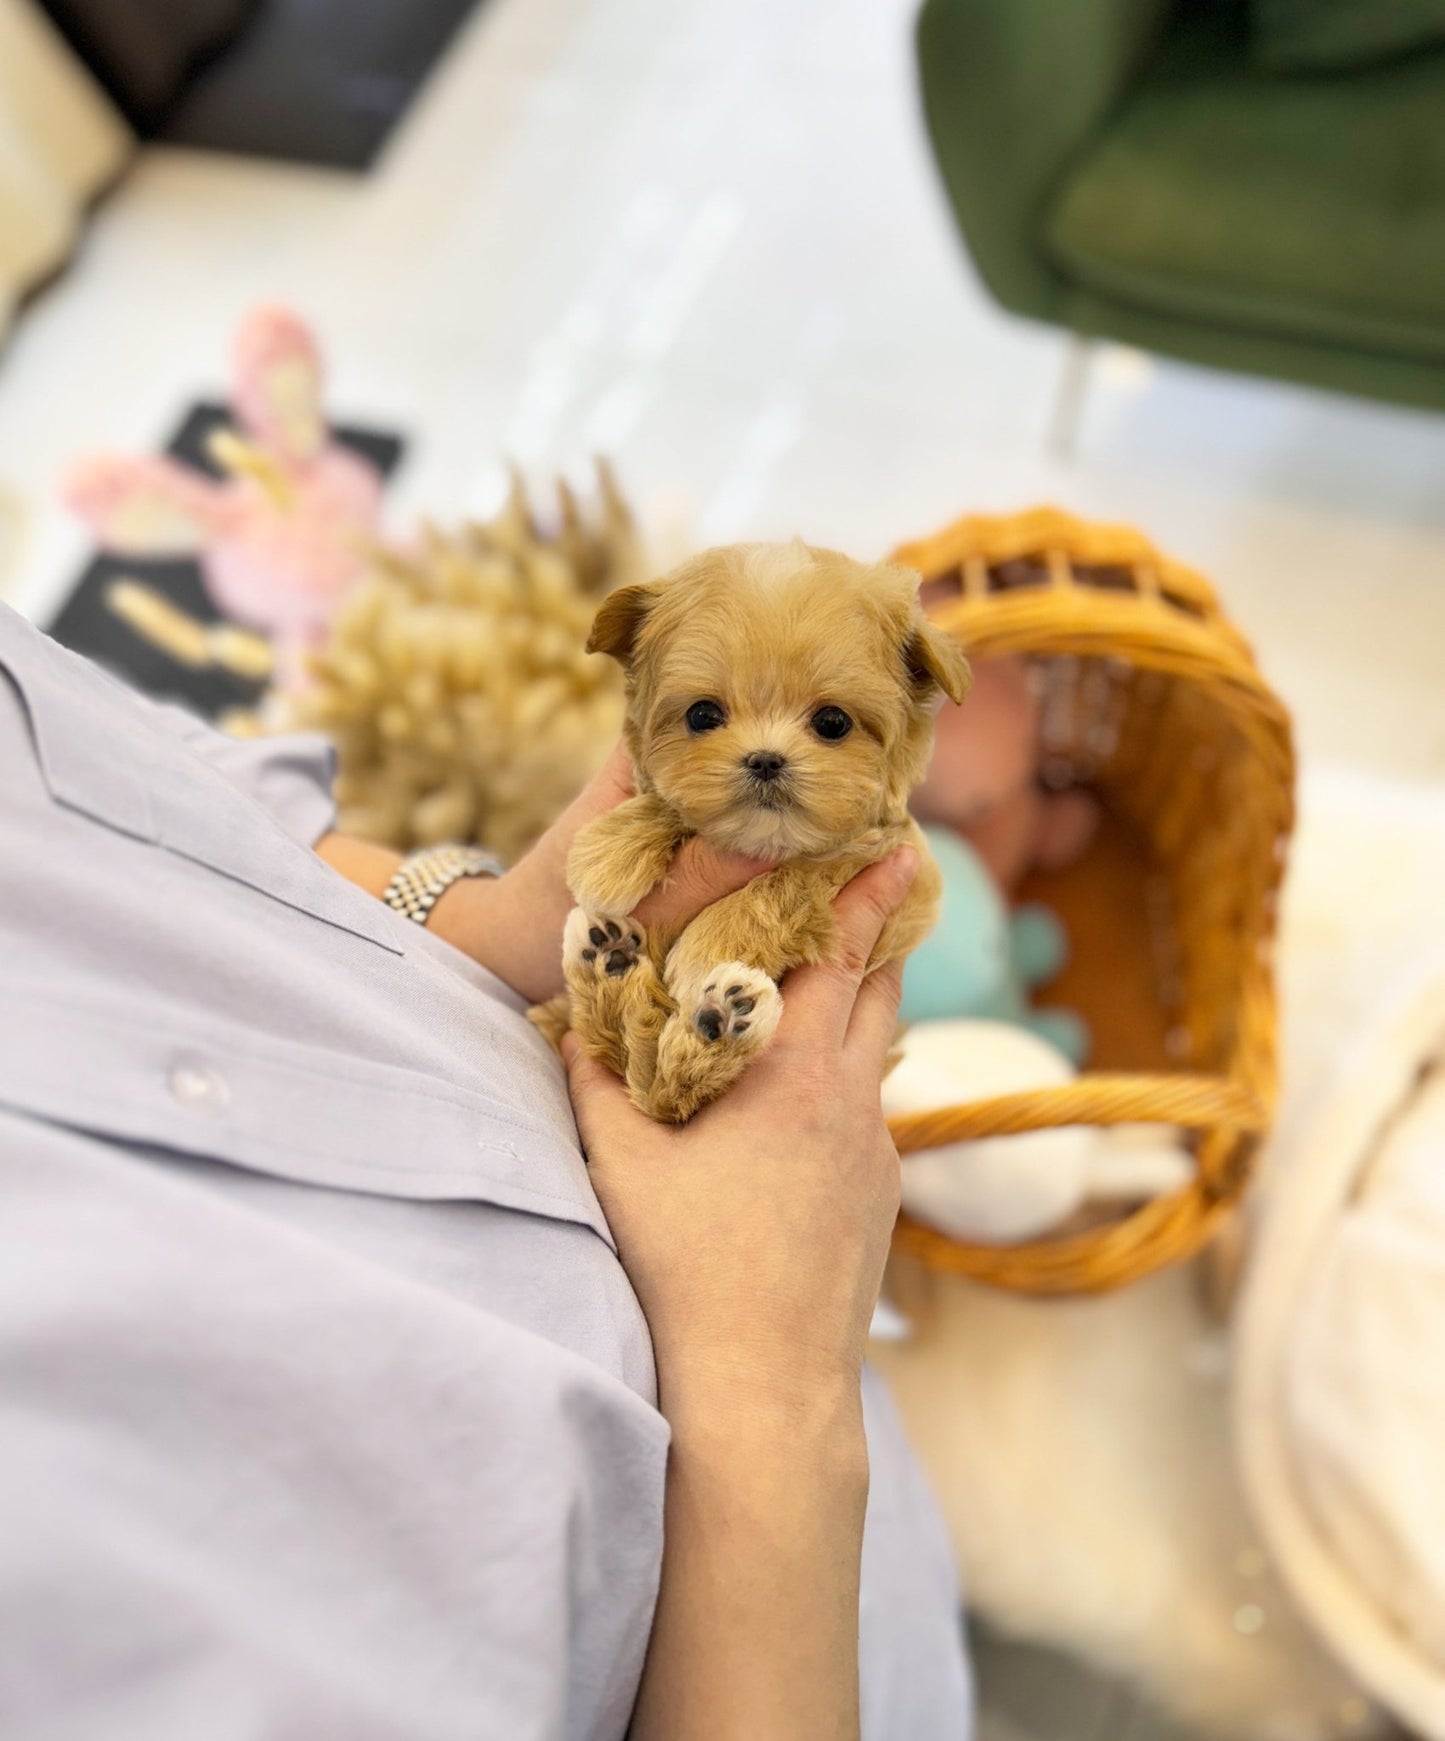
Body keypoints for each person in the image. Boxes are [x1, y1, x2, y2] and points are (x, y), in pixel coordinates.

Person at [0, 599, 971, 1740]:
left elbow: (140, 765)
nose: (764, 750)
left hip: (871, 1451)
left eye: (826, 721)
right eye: (707, 714)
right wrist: (770, 1387)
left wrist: (475, 914)